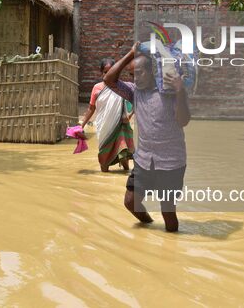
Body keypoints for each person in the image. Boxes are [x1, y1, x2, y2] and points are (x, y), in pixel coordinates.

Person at [104, 42, 190, 232]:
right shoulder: (135, 92)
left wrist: (180, 91)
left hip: (171, 161)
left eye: (141, 72)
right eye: (133, 74)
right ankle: (148, 225)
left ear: (152, 71)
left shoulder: (169, 91)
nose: (137, 78)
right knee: (130, 202)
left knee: (168, 212)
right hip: (144, 160)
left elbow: (184, 121)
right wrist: (130, 54)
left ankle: (170, 250)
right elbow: (109, 80)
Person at [80, 58, 134, 172]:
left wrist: (128, 116)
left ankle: (127, 174)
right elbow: (91, 108)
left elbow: (136, 102)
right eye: (105, 72)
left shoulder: (123, 87)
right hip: (103, 126)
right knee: (104, 163)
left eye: (111, 71)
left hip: (120, 125)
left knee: (123, 153)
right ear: (101, 73)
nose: (108, 74)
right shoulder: (97, 88)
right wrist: (81, 125)